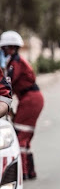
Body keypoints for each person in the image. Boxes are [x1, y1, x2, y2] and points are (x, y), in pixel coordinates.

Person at [0, 30, 44, 180]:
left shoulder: (15, 63)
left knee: (21, 135)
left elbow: (8, 84)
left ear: (11, 47)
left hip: (30, 99)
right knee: (25, 135)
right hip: (30, 98)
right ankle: (29, 171)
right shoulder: (14, 61)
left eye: (5, 48)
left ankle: (22, 172)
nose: (4, 51)